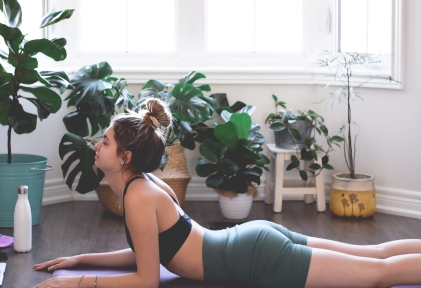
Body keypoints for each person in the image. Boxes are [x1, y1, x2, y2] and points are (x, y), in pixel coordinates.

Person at [34, 98, 421, 288]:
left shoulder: (137, 195)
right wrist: (82, 259)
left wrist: (77, 283)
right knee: (376, 256)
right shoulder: (144, 185)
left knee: (379, 274)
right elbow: (146, 251)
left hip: (260, 257)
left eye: (105, 141)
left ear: (125, 156)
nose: (97, 146)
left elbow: (146, 280)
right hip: (254, 241)